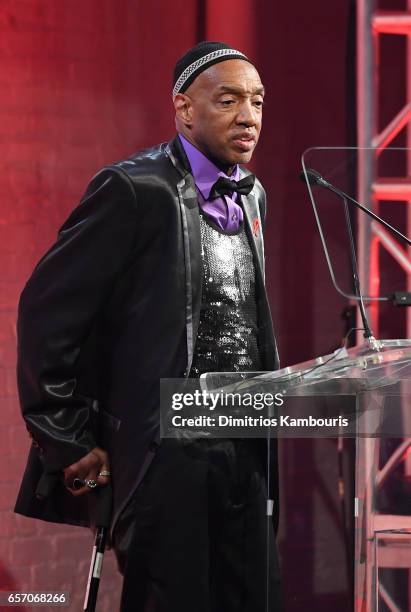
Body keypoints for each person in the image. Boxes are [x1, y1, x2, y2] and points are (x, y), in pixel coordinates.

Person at [15, 41, 282, 610]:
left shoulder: (252, 193)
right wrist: (64, 436)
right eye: (228, 100)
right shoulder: (136, 188)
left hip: (245, 440)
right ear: (184, 108)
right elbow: (48, 310)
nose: (248, 118)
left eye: (257, 103)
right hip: (168, 448)